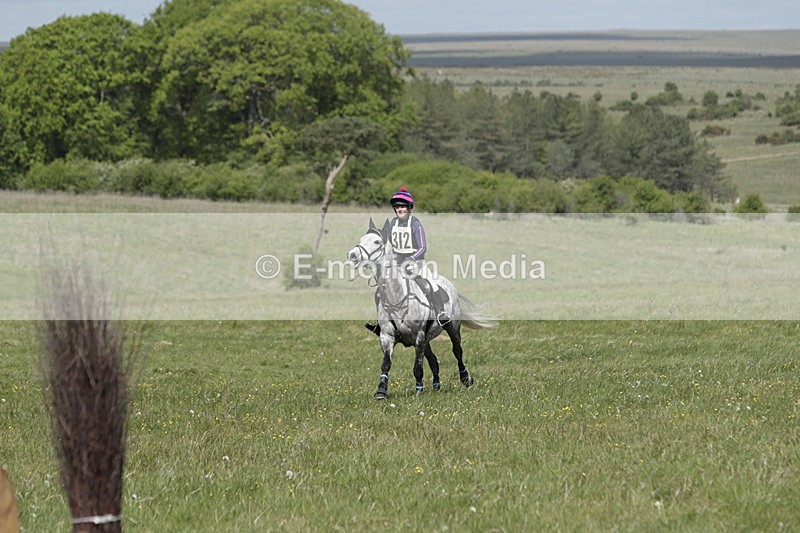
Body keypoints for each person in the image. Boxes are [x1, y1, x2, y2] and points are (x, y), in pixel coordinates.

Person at [365, 187, 451, 336]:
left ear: (409, 208)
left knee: (430, 285)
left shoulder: (415, 224)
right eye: (397, 206)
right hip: (397, 264)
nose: (400, 209)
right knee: (380, 290)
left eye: (403, 206)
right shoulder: (393, 223)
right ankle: (380, 323)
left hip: (416, 262)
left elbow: (423, 247)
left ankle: (441, 314)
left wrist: (411, 259)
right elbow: (387, 242)